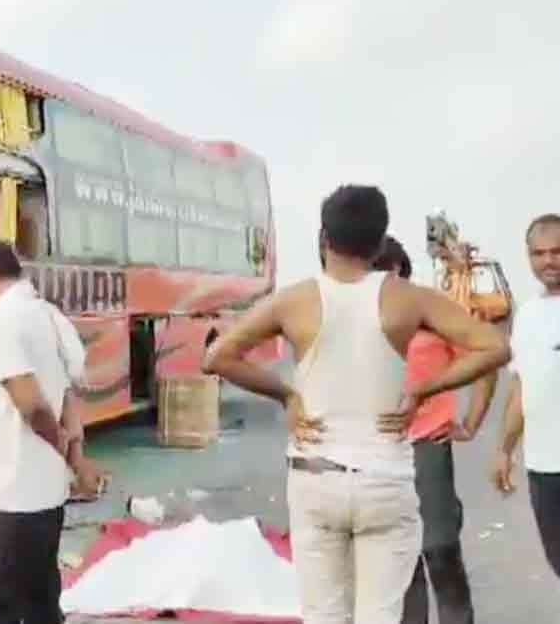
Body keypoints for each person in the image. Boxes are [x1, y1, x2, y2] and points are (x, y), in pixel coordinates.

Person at [204, 184, 510, 624]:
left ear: (324, 238)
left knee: (324, 614)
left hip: (316, 477)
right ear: (379, 241)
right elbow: (494, 348)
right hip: (384, 478)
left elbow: (218, 357)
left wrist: (286, 394)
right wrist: (424, 390)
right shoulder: (409, 298)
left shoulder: (296, 299)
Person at [0, 237, 100, 624]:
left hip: (12, 491)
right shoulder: (49, 315)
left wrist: (63, 452)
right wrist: (75, 460)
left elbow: (32, 405)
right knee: (40, 598)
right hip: (43, 492)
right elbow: (69, 396)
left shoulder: (1, 322)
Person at [373, 236, 498, 624]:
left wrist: (471, 424)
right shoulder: (360, 319)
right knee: (399, 558)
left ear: (396, 268)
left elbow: (487, 359)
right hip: (376, 453)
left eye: (377, 270)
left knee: (440, 549)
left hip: (428, 445)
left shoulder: (433, 312)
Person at [491, 214, 560, 624]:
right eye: (539, 253)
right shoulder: (528, 314)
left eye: (558, 251)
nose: (549, 261)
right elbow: (520, 388)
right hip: (545, 466)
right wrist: (503, 449)